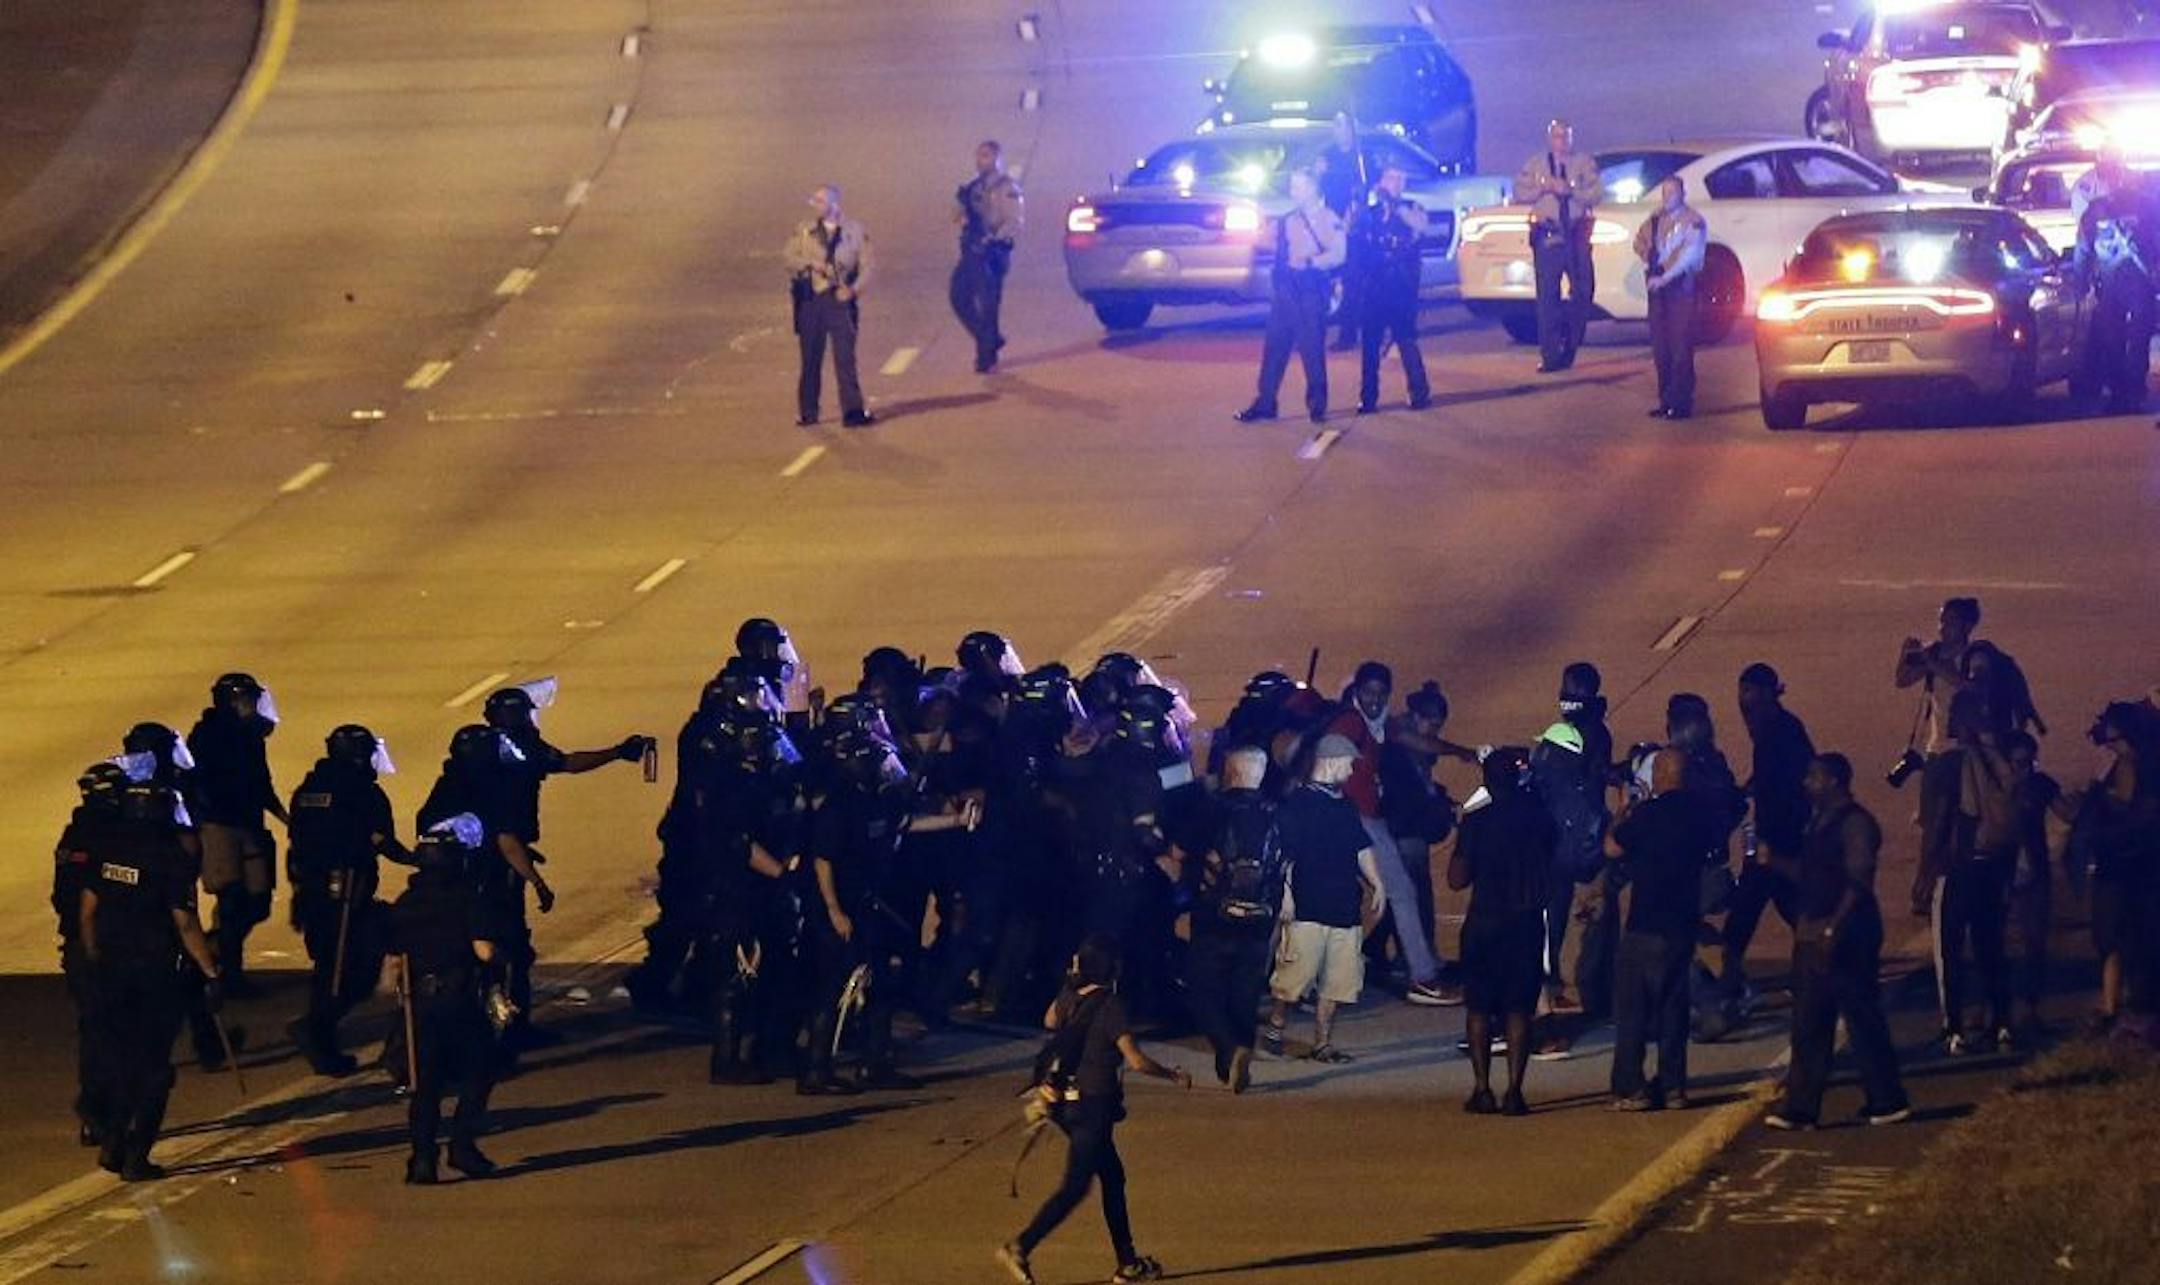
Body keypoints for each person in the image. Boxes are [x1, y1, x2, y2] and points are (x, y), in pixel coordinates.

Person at [997, 934, 1188, 1285]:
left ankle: (1128, 1263)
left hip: (1065, 1103)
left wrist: (1070, 981)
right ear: (1112, 967)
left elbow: (1050, 1022)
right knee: (1076, 1186)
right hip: (1092, 1105)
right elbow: (1135, 1059)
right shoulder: (1111, 1004)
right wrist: (1172, 1075)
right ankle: (1021, 1245)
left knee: (1113, 1176)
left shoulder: (1071, 996)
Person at [480, 683, 654, 1048]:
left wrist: (616, 753)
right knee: (508, 944)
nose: (532, 720)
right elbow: (506, 833)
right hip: (496, 863)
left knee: (505, 943)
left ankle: (508, 1022)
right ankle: (506, 1027)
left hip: (498, 856)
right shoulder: (507, 757)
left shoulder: (501, 750)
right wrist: (536, 879)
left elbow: (565, 762)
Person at [75, 767, 221, 1180]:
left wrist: (94, 956)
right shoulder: (170, 857)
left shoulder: (107, 847)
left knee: (120, 1059)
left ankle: (112, 1138)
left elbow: (88, 910)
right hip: (155, 975)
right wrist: (210, 972)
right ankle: (136, 1156)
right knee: (154, 1068)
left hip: (110, 971)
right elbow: (186, 924)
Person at [1765, 754, 1911, 1130]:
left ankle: (1887, 1099)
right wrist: (1776, 863)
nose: (1806, 784)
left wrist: (1833, 926)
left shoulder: (1856, 823)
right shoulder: (1820, 823)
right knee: (1810, 1021)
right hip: (1815, 932)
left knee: (1861, 1017)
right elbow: (1812, 873)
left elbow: (1859, 879)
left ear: (1834, 781)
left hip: (1846, 935)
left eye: (1813, 777)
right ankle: (1802, 1106)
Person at [1322, 662, 1453, 1005]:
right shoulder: (1349, 724)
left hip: (1359, 818)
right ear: (1357, 692)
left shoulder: (1377, 725)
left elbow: (1420, 742)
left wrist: (1465, 753)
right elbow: (1325, 769)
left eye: (1381, 694)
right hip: (1354, 819)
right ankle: (1422, 976)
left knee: (1370, 897)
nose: (1375, 700)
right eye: (1368, 692)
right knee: (1401, 893)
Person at [287, 725, 408, 1076]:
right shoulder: (361, 792)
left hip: (314, 894)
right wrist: (417, 859)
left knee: (331, 967)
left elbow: (299, 843)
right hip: (346, 896)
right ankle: (318, 1032)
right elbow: (381, 840)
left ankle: (319, 1030)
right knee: (348, 973)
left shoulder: (309, 790)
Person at [392, 816, 507, 1184]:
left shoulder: (407, 902)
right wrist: (505, 959)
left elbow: (392, 954)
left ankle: (422, 1159)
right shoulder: (467, 899)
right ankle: (462, 1146)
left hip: (418, 1003)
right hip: (459, 1001)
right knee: (479, 1072)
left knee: (426, 1086)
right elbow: (485, 951)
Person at [1605, 750, 1716, 1110]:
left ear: (1659, 776)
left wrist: (1622, 810)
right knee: (1673, 1010)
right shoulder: (1700, 816)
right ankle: (1673, 1087)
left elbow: (1612, 847)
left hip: (1646, 923)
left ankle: (1630, 1087)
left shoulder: (1649, 815)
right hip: (1681, 925)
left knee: (1633, 1011)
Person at [1449, 747, 1556, 1117]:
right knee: (1518, 1009)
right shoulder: (1540, 818)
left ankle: (1482, 1089)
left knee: (1479, 1008)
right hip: (1525, 921)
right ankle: (1515, 1091)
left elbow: (1456, 879)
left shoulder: (1477, 822)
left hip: (1485, 922)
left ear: (1487, 781)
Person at [1265, 735, 1385, 1063]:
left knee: (1338, 982)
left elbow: (1361, 846)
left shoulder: (1344, 805)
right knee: (1293, 978)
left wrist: (1377, 883)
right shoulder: (1297, 805)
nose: (1350, 771)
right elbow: (1283, 856)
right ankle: (1276, 1023)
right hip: (1307, 905)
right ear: (1331, 761)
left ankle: (1322, 1043)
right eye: (1348, 763)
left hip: (1344, 907)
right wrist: (1286, 896)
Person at [1179, 746, 1282, 1093]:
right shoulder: (1275, 812)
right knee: (1246, 989)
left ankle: (1227, 1047)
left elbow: (1183, 848)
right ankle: (1239, 1054)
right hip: (1260, 915)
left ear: (1232, 772)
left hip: (1214, 912)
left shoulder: (1211, 809)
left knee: (1202, 987)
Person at [1920, 690, 2017, 1053]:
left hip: (1957, 867)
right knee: (1991, 947)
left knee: (1949, 952)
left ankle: (1953, 1029)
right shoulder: (1998, 762)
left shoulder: (1948, 764)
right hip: (1993, 865)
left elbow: (1940, 818)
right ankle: (2003, 1021)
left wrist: (1926, 872)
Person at [1719, 664, 1814, 1018]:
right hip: (1769, 835)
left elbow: (1792, 781)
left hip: (1781, 838)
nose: (1743, 704)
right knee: (1779, 908)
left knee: (1756, 911)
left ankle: (1729, 980)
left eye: (1750, 696)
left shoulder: (1781, 731)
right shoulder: (1771, 728)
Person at [187, 672, 288, 994]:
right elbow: (197, 784)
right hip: (220, 827)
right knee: (231, 899)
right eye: (249, 700)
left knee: (258, 900)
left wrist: (284, 817)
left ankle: (211, 949)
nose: (255, 706)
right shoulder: (206, 737)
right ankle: (227, 972)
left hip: (249, 824)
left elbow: (261, 781)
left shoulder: (250, 736)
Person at [2069, 702, 2160, 1031]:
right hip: (2113, 868)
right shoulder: (2109, 770)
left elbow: (2145, 820)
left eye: (2116, 741)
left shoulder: (2151, 771)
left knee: (2137, 940)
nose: (2111, 748)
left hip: (2139, 869)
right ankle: (2113, 1009)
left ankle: (2139, 1011)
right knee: (2109, 939)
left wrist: (2105, 827)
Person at [1233, 168, 1345, 425]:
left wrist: (1310, 262)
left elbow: (1339, 254)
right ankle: (1266, 402)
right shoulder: (1286, 221)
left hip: (1309, 289)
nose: (1293, 191)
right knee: (1275, 348)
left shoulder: (1328, 219)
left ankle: (1317, 406)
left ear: (1312, 188)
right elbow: (1263, 241)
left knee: (1312, 350)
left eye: (1298, 186)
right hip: (1285, 292)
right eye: (1293, 186)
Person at [1512, 118, 1602, 373]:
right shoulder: (1536, 164)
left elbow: (1596, 194)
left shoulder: (1583, 163)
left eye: (1565, 136)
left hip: (1575, 234)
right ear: (1549, 138)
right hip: (1549, 235)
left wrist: (1570, 191)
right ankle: (1550, 356)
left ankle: (1570, 344)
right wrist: (1544, 188)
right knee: (1547, 298)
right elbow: (1519, 192)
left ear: (1571, 138)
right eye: (1556, 136)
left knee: (1584, 292)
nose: (1561, 141)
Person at [785, 183, 877, 427]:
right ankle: (808, 411)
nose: (815, 205)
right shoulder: (804, 231)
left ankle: (852, 410)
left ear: (834, 204)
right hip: (811, 300)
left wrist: (854, 290)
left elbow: (868, 265)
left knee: (845, 358)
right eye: (814, 200)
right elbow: (789, 258)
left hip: (839, 299)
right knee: (810, 359)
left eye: (820, 201)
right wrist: (810, 264)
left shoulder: (854, 231)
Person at [2073, 161, 2155, 414]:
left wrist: (2080, 283)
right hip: (2140, 283)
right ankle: (2134, 391)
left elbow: (2083, 250)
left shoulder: (2096, 209)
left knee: (2114, 340)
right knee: (2139, 338)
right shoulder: (2149, 206)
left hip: (2110, 284)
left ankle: (2120, 393)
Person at [1351, 163, 1433, 414]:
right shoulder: (1371, 212)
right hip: (1375, 283)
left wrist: (1395, 206)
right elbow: (1354, 234)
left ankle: (1419, 392)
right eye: (1391, 178)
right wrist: (1358, 204)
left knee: (1407, 339)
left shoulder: (1412, 207)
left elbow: (1420, 226)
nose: (1395, 183)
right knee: (1371, 344)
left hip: (1400, 283)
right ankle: (1368, 396)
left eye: (1400, 179)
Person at [1634, 174, 1707, 419]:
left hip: (1680, 289)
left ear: (1683, 194)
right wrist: (1649, 260)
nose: (1667, 197)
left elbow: (1687, 256)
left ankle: (1682, 402)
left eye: (1672, 192)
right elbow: (1639, 241)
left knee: (1680, 347)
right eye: (1664, 193)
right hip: (1658, 291)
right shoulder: (1656, 219)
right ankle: (1666, 400)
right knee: (1661, 348)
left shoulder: (1693, 221)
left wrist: (1664, 276)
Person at [953, 140, 1024, 373]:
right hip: (972, 250)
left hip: (993, 252)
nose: (979, 160)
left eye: (985, 156)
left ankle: (986, 357)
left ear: (996, 159)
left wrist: (994, 240)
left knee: (988, 304)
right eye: (978, 155)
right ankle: (989, 338)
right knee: (958, 296)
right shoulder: (973, 188)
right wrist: (960, 210)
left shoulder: (1007, 188)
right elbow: (957, 217)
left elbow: (1014, 220)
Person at [1895, 597, 1982, 757]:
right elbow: (1902, 681)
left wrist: (1932, 663)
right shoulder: (1935, 653)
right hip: (1937, 747)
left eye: (1950, 622)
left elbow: (1971, 686)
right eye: (1942, 621)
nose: (1943, 628)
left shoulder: (1976, 656)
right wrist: (1905, 655)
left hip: (1967, 747)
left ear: (1968, 626)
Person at [1318, 112, 1371, 351]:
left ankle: (1348, 334)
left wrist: (1352, 218)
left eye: (1341, 124)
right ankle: (1316, 331)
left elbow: (1365, 190)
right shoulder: (1327, 156)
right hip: (1330, 226)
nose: (1336, 129)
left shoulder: (1362, 157)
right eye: (1334, 124)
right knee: (1325, 280)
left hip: (1353, 228)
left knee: (1352, 282)